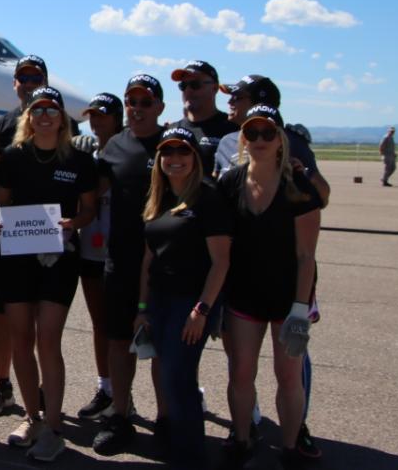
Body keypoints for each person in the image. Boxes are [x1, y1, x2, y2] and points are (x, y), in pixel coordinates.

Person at [214, 74, 329, 459]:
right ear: (243, 139)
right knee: (241, 373)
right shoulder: (229, 182)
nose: (260, 139)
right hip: (245, 294)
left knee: (289, 377)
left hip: (287, 296)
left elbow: (305, 256)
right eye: (253, 133)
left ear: (280, 139)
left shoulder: (298, 185)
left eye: (268, 132)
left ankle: (292, 445)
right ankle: (242, 438)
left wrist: (300, 309)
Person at [0, 87, 98, 462]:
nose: (46, 116)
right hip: (18, 257)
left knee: (47, 340)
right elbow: (0, 205)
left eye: (53, 109)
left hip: (59, 258)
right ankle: (31, 417)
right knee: (20, 339)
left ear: (63, 118)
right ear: (28, 117)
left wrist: (73, 223)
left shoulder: (80, 160)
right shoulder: (12, 157)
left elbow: (89, 210)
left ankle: (53, 427)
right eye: (39, 110)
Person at [136, 126, 231, 468]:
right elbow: (149, 258)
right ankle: (181, 448)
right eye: (168, 152)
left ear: (195, 158)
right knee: (169, 377)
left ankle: (191, 456)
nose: (175, 159)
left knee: (179, 377)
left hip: (190, 303)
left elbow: (221, 261)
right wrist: (142, 307)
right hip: (160, 301)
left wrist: (202, 309)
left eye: (183, 152)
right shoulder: (158, 199)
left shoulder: (208, 197)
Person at [92, 74, 166, 455]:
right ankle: (121, 415)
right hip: (120, 261)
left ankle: (166, 420)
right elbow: (89, 196)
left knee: (163, 346)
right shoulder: (113, 148)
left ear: (160, 107)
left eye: (145, 102)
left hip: (168, 263)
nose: (137, 109)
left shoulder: (174, 144)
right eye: (131, 102)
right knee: (119, 342)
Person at [0, 54, 48, 418]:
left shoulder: (63, 123)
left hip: (48, 236)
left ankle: (38, 386)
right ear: (15, 83)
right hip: (9, 237)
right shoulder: (1, 127)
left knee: (42, 318)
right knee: (3, 314)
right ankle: (3, 384)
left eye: (36, 76)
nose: (29, 82)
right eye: (23, 77)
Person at [74, 93, 124, 420]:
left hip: (122, 252)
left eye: (103, 115)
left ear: (117, 118)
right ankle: (105, 387)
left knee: (124, 326)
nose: (96, 121)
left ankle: (123, 394)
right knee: (99, 323)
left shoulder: (128, 151)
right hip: (91, 249)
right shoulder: (85, 150)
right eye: (92, 115)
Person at [169, 61, 237, 177]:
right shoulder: (171, 131)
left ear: (214, 88)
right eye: (183, 86)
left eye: (195, 85)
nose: (188, 91)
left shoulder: (233, 130)